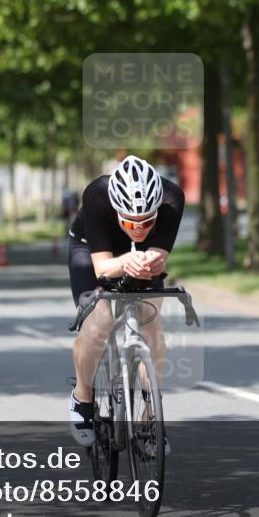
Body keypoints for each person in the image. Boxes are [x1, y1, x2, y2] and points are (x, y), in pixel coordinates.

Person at [67, 155, 184, 448]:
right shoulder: (97, 196)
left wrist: (151, 262)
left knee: (150, 319)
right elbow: (103, 269)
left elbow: (159, 257)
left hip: (140, 254)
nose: (139, 228)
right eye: (132, 222)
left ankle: (150, 417)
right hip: (92, 250)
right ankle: (82, 398)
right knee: (100, 322)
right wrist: (123, 262)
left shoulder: (171, 200)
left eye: (146, 221)